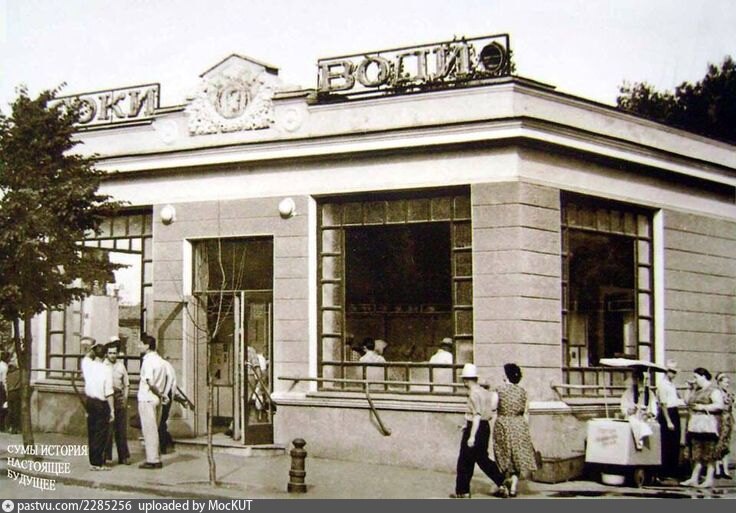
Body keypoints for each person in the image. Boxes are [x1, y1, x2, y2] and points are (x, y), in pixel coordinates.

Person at [451, 363, 506, 499]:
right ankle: (502, 479)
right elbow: (489, 413)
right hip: (484, 427)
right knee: (482, 458)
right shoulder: (485, 392)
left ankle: (462, 491)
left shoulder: (473, 394)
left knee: (464, 461)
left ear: (466, 380)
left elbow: (476, 415)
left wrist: (471, 436)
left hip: (475, 428)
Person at [493, 363, 537, 497]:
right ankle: (513, 487)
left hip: (504, 424)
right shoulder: (523, 391)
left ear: (506, 376)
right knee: (517, 456)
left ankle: (504, 483)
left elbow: (493, 407)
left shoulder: (499, 390)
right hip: (519, 424)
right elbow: (526, 411)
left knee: (503, 453)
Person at [681, 367, 725, 488]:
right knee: (697, 452)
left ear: (703, 376)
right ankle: (694, 478)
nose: (695, 380)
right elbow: (687, 402)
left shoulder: (713, 390)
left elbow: (719, 405)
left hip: (709, 425)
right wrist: (688, 388)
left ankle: (709, 479)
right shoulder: (697, 390)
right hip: (696, 424)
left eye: (696, 377)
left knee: (710, 452)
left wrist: (703, 407)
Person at [81, 338, 114, 471]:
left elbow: (87, 355)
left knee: (92, 431)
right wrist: (112, 410)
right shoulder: (107, 369)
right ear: (105, 355)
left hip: (90, 401)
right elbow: (109, 392)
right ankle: (98, 463)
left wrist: (92, 348)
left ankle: (92, 461)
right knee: (101, 433)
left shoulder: (87, 364)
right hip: (101, 403)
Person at [137, 334, 168, 469]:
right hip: (156, 399)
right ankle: (155, 457)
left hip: (147, 398)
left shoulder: (148, 361)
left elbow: (150, 381)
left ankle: (152, 460)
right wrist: (162, 395)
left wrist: (159, 393)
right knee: (154, 429)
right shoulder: (161, 361)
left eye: (141, 344)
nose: (138, 346)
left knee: (149, 430)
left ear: (147, 346)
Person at [655, 360, 684, 480]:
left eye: (675, 372)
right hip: (667, 413)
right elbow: (663, 404)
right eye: (671, 371)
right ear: (666, 372)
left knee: (675, 441)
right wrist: (668, 421)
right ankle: (665, 471)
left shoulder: (671, 384)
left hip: (674, 411)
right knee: (667, 442)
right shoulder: (663, 385)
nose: (673, 374)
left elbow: (677, 399)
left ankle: (673, 470)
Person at [104, 337, 130, 465]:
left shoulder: (121, 366)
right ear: (106, 353)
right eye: (110, 353)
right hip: (106, 399)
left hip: (119, 398)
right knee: (107, 429)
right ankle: (105, 456)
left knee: (121, 429)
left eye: (114, 353)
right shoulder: (102, 366)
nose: (112, 355)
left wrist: (125, 398)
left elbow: (127, 384)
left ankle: (123, 456)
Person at [620, 368, 658, 450]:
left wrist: (648, 414)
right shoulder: (627, 393)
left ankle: (643, 442)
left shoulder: (649, 393)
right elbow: (624, 409)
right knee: (635, 423)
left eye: (640, 380)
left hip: (646, 419)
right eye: (635, 380)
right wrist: (631, 410)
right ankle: (639, 443)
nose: (638, 383)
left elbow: (654, 408)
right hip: (633, 418)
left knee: (647, 425)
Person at [714, 373, 733, 479]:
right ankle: (717, 469)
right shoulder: (716, 393)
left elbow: (732, 408)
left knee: (726, 445)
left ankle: (725, 470)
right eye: (725, 382)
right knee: (718, 444)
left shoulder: (729, 394)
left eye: (728, 382)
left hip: (728, 420)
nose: (727, 384)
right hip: (718, 420)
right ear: (719, 382)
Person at [159, 357, 177, 454]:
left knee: (161, 421)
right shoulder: (167, 366)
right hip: (165, 394)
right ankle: (165, 443)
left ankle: (163, 446)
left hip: (164, 394)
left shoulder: (164, 366)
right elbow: (174, 385)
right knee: (162, 421)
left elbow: (171, 383)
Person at [0, 351, 8, 432]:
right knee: (2, 407)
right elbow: (4, 380)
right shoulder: (5, 367)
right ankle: (1, 426)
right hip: (1, 387)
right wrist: (6, 390)